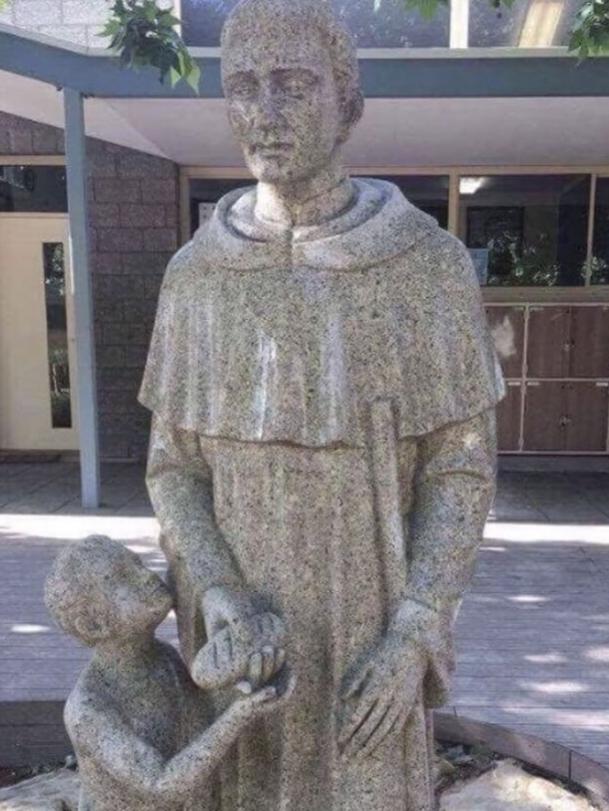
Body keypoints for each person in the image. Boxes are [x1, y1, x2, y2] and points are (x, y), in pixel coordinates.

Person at [139, 0, 504, 807]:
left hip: (367, 613)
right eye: (243, 86)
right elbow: (173, 469)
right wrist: (222, 593)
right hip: (238, 625)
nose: (263, 114)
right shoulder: (196, 276)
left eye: (293, 84)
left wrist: (415, 628)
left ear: (348, 101)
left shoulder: (425, 267)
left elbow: (459, 468)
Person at [44, 536, 291, 811]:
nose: (146, 575)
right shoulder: (88, 710)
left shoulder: (163, 658)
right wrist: (237, 715)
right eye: (122, 578)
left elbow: (200, 726)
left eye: (137, 562)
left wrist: (244, 685)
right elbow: (161, 784)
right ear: (93, 625)